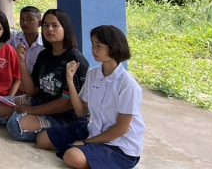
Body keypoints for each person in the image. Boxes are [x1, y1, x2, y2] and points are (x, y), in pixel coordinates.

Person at [38, 25, 145, 169]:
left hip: (120, 145)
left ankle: (90, 152)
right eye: (93, 44)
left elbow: (121, 129)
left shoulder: (127, 85)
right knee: (42, 140)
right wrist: (70, 79)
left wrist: (87, 142)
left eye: (98, 46)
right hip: (94, 130)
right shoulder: (93, 74)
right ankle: (87, 151)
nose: (94, 49)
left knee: (72, 156)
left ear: (113, 48)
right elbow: (81, 111)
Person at [0, 8, 89, 142]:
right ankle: (34, 122)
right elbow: (32, 91)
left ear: (65, 28)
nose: (49, 29)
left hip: (64, 115)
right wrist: (21, 61)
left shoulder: (75, 59)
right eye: (46, 25)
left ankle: (56, 130)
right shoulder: (44, 54)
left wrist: (31, 110)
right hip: (40, 101)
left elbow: (67, 104)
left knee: (15, 125)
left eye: (55, 25)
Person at [9, 6, 45, 74]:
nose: (24, 23)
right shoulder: (13, 38)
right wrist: (14, 54)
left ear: (40, 23)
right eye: (22, 19)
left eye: (30, 19)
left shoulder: (45, 44)